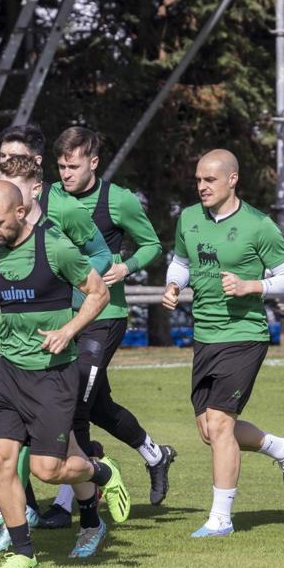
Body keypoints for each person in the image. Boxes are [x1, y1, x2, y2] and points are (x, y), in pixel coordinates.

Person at [0, 181, 129, 568]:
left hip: (53, 374)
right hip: (7, 372)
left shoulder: (55, 247)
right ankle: (23, 552)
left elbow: (98, 293)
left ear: (20, 213)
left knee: (47, 470)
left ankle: (101, 470)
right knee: (1, 461)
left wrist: (68, 330)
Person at [162, 148, 284, 538]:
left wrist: (252, 285)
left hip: (245, 335)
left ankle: (221, 518)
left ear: (232, 179)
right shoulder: (189, 218)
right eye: (198, 180)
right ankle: (282, 449)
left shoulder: (259, 225)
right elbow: (182, 262)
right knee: (209, 430)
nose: (201, 186)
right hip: (204, 335)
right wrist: (174, 284)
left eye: (209, 180)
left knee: (221, 424)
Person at [54, 126, 177, 506]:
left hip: (105, 316)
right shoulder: (50, 197)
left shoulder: (118, 200)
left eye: (73, 166)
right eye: (60, 166)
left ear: (93, 162)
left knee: (74, 405)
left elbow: (153, 243)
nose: (66, 174)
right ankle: (156, 455)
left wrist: (126, 267)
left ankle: (66, 503)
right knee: (98, 407)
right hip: (62, 317)